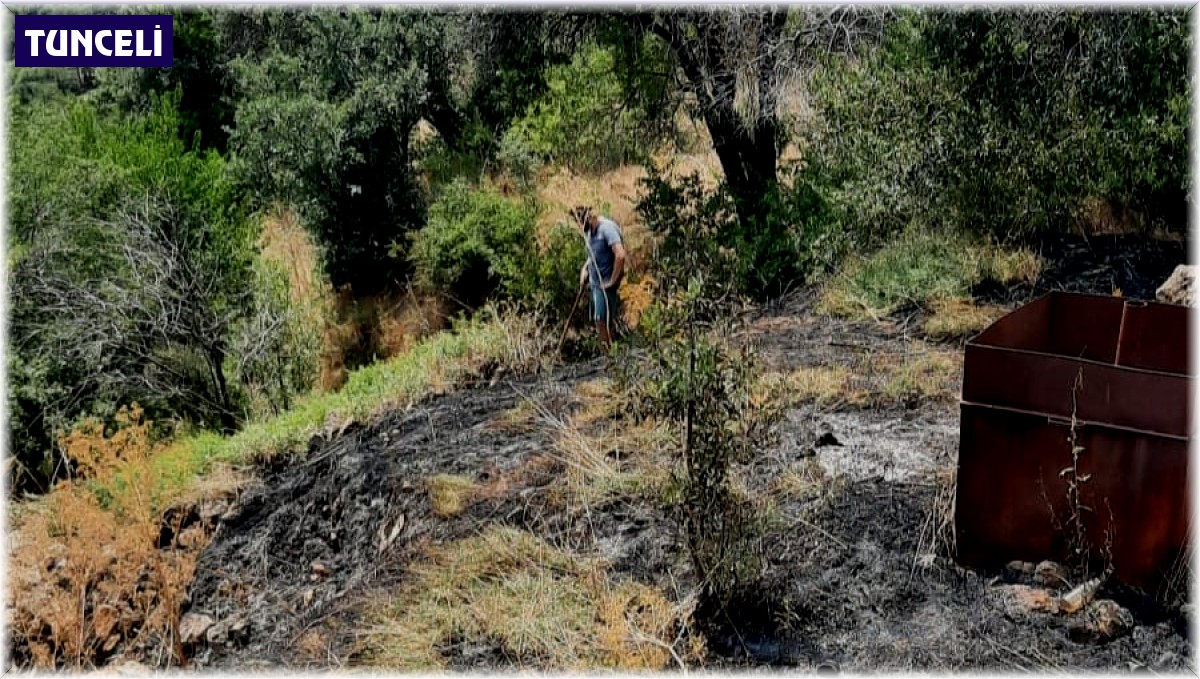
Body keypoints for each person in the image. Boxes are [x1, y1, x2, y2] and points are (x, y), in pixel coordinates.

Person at [574, 206, 627, 351]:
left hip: (606, 285)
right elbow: (594, 254)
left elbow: (620, 255)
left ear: (588, 217)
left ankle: (610, 360)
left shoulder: (607, 229)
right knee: (601, 323)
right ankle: (611, 356)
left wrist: (612, 280)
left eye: (580, 221)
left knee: (602, 321)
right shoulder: (591, 232)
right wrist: (585, 269)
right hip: (596, 284)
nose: (579, 225)